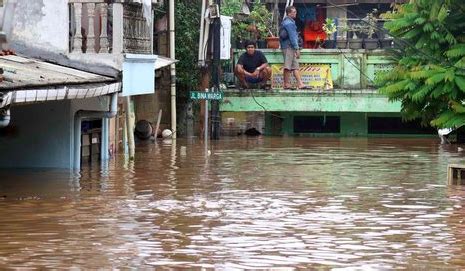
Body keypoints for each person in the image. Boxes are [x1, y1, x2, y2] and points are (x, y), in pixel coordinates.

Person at [280, 6, 307, 90]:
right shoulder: (289, 23)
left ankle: (300, 84)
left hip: (289, 46)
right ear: (289, 13)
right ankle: (286, 84)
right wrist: (297, 48)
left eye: (295, 12)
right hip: (288, 47)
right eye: (294, 12)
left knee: (295, 66)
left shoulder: (287, 22)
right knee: (288, 66)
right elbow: (292, 37)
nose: (295, 13)